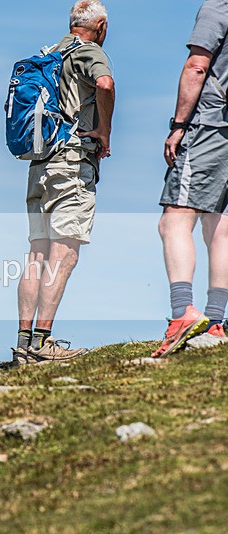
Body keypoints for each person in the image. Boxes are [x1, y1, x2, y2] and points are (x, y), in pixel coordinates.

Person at [13, 0, 115, 364]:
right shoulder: (89, 51)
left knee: (36, 253)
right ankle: (42, 342)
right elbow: (105, 83)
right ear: (100, 26)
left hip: (38, 165)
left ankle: (24, 343)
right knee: (65, 251)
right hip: (71, 162)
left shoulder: (50, 53)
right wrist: (104, 129)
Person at [153, 0, 228, 358]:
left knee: (174, 220)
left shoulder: (218, 6)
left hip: (211, 124)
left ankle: (183, 313)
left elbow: (198, 66)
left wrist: (179, 125)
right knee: (219, 224)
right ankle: (215, 321)